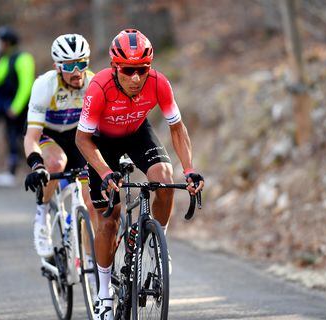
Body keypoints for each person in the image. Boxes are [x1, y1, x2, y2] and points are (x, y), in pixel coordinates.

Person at [75, 29, 205, 320]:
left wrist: (189, 169)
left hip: (136, 133)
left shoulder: (159, 83)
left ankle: (158, 247)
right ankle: (104, 294)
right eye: (128, 70)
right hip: (101, 143)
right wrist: (106, 172)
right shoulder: (99, 88)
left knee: (165, 176)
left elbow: (176, 128)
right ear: (114, 68)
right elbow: (82, 140)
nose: (136, 78)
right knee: (109, 221)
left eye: (142, 70)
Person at [23, 34, 96, 259]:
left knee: (91, 202)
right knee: (55, 162)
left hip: (77, 137)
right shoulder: (45, 85)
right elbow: (31, 137)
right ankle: (42, 214)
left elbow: (101, 130)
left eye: (81, 64)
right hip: (49, 134)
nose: (76, 72)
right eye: (69, 66)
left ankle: (91, 267)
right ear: (57, 67)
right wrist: (37, 167)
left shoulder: (93, 84)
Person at [0, 26, 35, 187]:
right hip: (9, 107)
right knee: (12, 137)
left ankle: (23, 171)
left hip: (21, 107)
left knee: (27, 137)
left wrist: (16, 107)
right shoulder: (4, 59)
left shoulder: (24, 58)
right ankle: (12, 171)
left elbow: (26, 85)